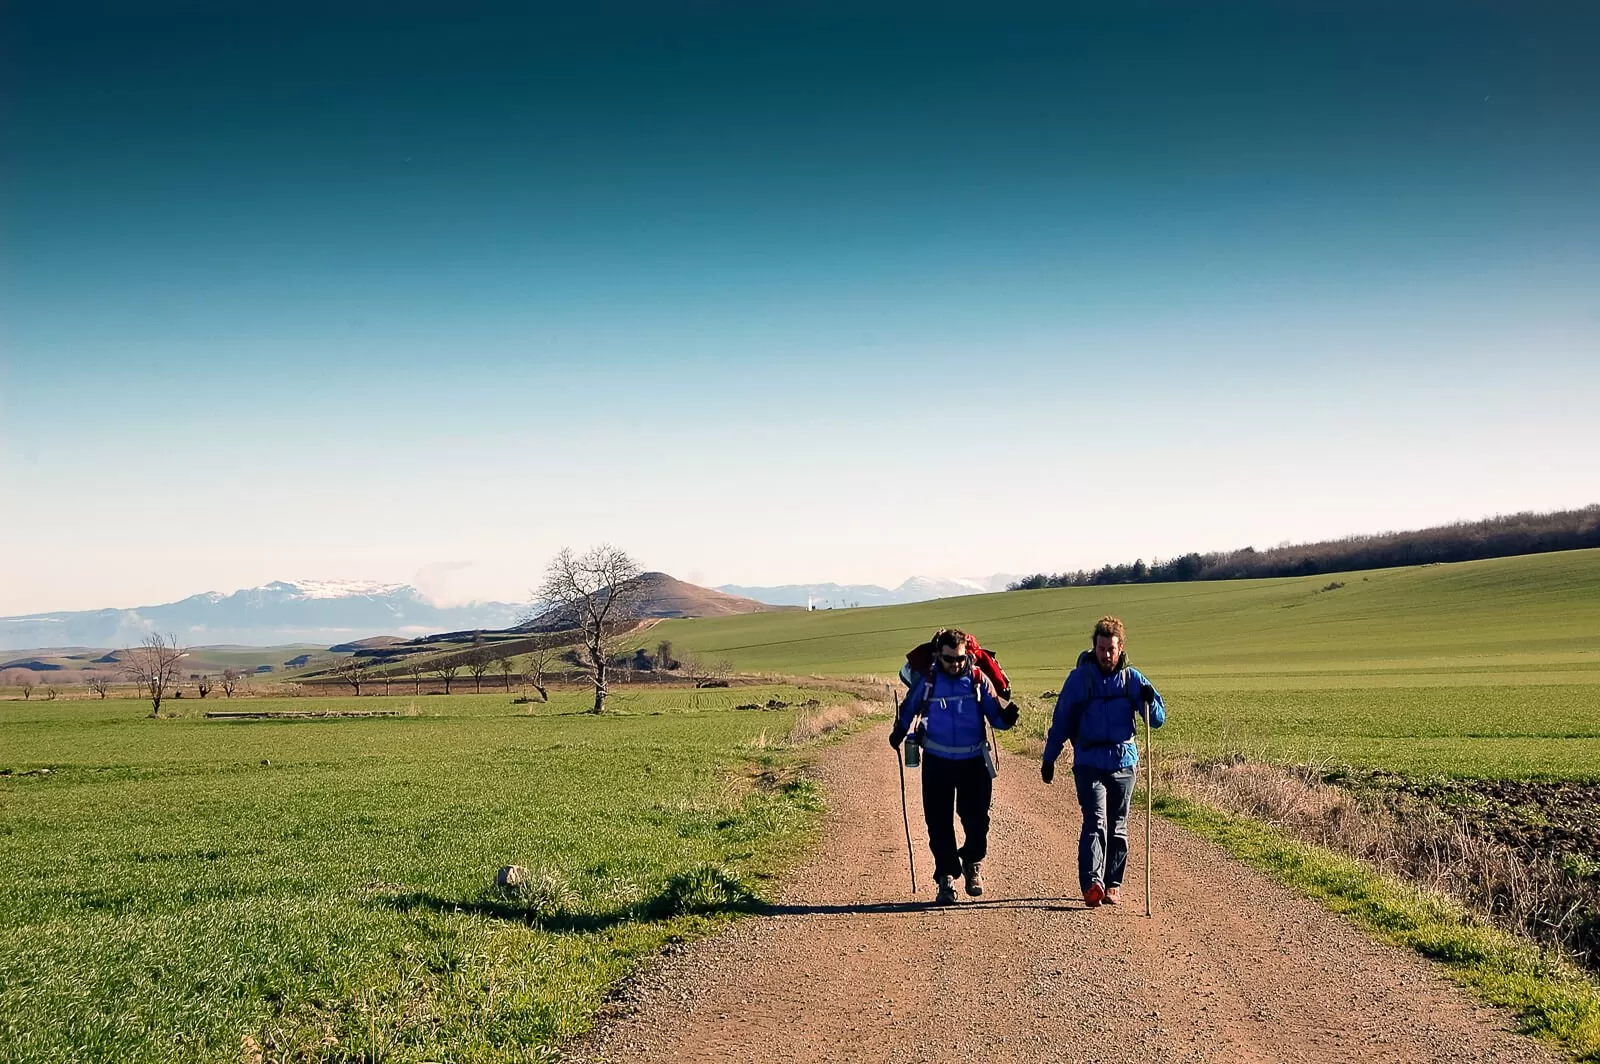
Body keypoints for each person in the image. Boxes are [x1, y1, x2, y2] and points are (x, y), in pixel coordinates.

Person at [1040, 615, 1165, 907]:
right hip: (1089, 761)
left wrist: (1150, 701)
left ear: (1121, 648)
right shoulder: (1079, 680)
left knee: (1118, 825)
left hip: (1124, 762)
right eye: (1101, 649)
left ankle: (1113, 885)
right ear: (1093, 648)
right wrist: (1049, 758)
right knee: (1095, 822)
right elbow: (1061, 722)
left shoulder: (1132, 679)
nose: (1106, 655)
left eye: (1111, 649)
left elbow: (1157, 720)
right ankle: (1092, 883)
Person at [890, 628, 1020, 904]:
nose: (956, 664)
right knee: (938, 823)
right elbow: (909, 708)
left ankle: (972, 862)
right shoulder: (927, 682)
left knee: (977, 821)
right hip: (937, 761)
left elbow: (995, 717)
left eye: (960, 659)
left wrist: (1007, 719)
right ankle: (945, 877)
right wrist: (899, 731)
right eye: (950, 659)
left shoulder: (977, 679)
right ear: (938, 656)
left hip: (973, 760)